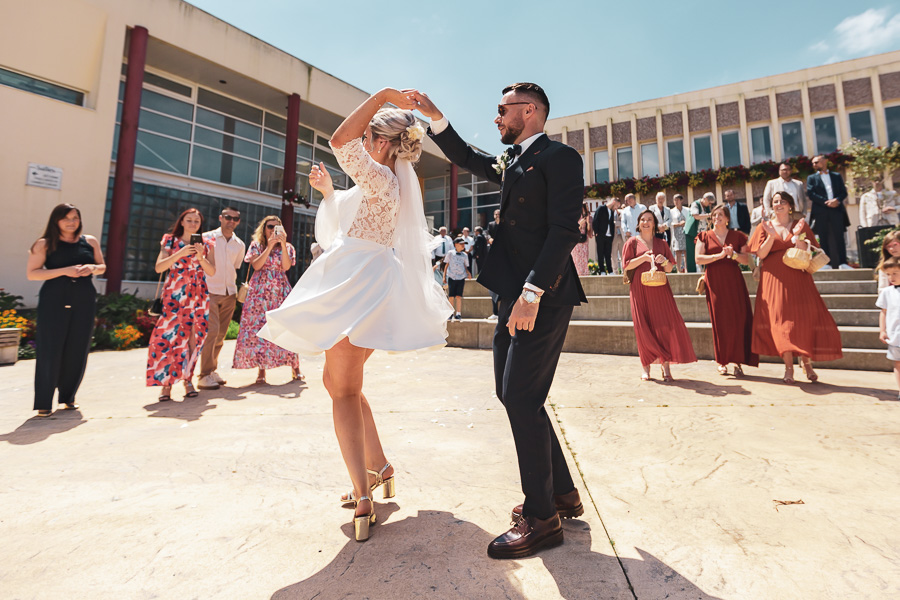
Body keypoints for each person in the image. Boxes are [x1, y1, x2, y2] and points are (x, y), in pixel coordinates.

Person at [258, 89, 452, 542]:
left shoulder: (380, 176)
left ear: (381, 143)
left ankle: (363, 494)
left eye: (369, 138)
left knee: (343, 390)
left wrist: (383, 96)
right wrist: (328, 192)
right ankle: (380, 467)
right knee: (338, 383)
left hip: (356, 287)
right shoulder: (389, 182)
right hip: (368, 282)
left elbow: (339, 140)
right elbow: (348, 213)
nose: (362, 143)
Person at [417, 82, 587, 559]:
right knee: (512, 394)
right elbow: (467, 156)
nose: (496, 118)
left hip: (541, 295)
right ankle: (562, 493)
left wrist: (532, 292)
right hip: (512, 294)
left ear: (529, 111)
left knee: (521, 396)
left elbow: (564, 230)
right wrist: (436, 118)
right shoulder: (514, 160)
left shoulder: (560, 158)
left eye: (502, 109)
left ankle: (543, 518)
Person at [749, 191, 842, 383]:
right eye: (775, 202)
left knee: (802, 321)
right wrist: (771, 237)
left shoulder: (801, 225)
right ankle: (789, 367)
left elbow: (807, 251)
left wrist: (799, 238)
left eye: (782, 201)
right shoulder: (764, 226)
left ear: (790, 205)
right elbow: (761, 254)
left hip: (798, 277)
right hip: (773, 280)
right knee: (781, 324)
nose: (779, 204)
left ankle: (807, 363)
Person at [26, 204, 106, 417]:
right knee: (50, 349)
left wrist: (92, 268)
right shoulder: (44, 244)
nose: (72, 222)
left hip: (84, 299)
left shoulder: (90, 241)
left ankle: (68, 397)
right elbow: (32, 273)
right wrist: (64, 271)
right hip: (54, 299)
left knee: (78, 348)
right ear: (56, 221)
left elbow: (102, 267)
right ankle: (44, 403)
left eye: (75, 218)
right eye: (66, 218)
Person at [146, 208, 216, 401]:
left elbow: (211, 271)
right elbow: (159, 267)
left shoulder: (207, 243)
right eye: (189, 220)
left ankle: (188, 379)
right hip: (175, 293)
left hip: (198, 293)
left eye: (197, 221)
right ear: (182, 222)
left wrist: (200, 257)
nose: (193, 224)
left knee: (194, 337)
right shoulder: (169, 240)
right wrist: (181, 253)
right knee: (170, 335)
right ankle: (166, 384)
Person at [622, 210, 697, 381]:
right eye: (643, 219)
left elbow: (670, 268)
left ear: (654, 224)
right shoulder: (632, 242)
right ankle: (646, 367)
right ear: (638, 223)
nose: (646, 222)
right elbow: (626, 265)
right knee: (642, 328)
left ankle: (666, 365)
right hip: (639, 289)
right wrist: (644, 258)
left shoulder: (662, 243)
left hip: (660, 290)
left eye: (649, 219)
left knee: (664, 326)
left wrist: (664, 261)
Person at [232, 216, 303, 384]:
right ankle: (261, 371)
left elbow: (286, 267)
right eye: (270, 226)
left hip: (280, 291)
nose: (273, 230)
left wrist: (282, 245)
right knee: (259, 329)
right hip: (259, 294)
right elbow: (257, 265)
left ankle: (295, 368)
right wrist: (270, 246)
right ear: (263, 228)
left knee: (286, 327)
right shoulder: (256, 245)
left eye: (277, 227)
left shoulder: (288, 247)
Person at [695, 206, 759, 376]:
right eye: (714, 215)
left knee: (738, 319)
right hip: (715, 282)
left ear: (728, 218)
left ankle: (738, 361)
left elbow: (746, 259)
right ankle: (722, 361)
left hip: (734, 282)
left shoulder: (738, 236)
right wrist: (718, 256)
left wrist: (733, 254)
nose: (717, 217)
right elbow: (698, 258)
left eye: (721, 215)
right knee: (720, 321)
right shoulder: (704, 236)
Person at [198, 207, 245, 391]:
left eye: (235, 218)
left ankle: (211, 371)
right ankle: (203, 375)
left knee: (220, 336)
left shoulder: (239, 245)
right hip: (209, 290)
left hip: (229, 292)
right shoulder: (206, 238)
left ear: (238, 222)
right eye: (227, 217)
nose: (231, 221)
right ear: (220, 218)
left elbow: (235, 267)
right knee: (211, 332)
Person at [807, 155, 851, 270]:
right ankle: (826, 264)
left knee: (839, 237)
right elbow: (811, 194)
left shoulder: (836, 176)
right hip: (821, 211)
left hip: (836, 210)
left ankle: (843, 263)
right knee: (823, 237)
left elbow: (843, 192)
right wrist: (826, 202)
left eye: (817, 162)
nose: (814, 165)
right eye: (813, 163)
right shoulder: (811, 178)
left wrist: (837, 200)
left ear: (825, 161)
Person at [876, 256, 900, 400]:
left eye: (895, 273)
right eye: (888, 274)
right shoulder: (887, 292)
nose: (891, 277)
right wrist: (882, 330)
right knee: (897, 363)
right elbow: (883, 312)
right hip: (894, 336)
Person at [685, 192, 714, 273]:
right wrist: (709, 215)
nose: (710, 205)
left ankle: (706, 271)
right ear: (705, 199)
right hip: (692, 232)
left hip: (703, 233)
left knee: (705, 252)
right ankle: (691, 272)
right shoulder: (695, 204)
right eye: (709, 202)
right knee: (691, 253)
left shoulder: (706, 207)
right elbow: (696, 216)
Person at [443, 237, 471, 320]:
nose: (463, 246)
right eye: (461, 244)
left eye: (464, 244)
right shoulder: (450, 253)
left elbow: (465, 266)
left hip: (461, 277)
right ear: (455, 245)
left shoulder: (465, 255)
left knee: (459, 296)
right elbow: (446, 265)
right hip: (452, 277)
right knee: (451, 296)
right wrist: (444, 276)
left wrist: (468, 273)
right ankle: (451, 313)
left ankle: (458, 313)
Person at [592, 198, 619, 274]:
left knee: (608, 254)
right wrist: (596, 232)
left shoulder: (612, 211)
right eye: (616, 206)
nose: (616, 208)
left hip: (609, 236)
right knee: (600, 253)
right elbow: (595, 220)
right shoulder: (601, 208)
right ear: (613, 202)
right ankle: (602, 270)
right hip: (600, 235)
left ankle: (610, 271)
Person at [571, 203, 593, 275]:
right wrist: (580, 223)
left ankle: (584, 273)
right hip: (576, 239)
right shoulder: (576, 215)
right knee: (577, 258)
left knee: (584, 257)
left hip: (584, 239)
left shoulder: (588, 216)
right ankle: (578, 274)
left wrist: (588, 222)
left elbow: (589, 231)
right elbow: (574, 228)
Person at [670, 194, 689, 273]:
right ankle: (678, 270)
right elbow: (670, 223)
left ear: (681, 200)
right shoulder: (671, 211)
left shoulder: (687, 210)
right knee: (678, 252)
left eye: (677, 200)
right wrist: (679, 224)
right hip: (676, 234)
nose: (676, 202)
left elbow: (690, 220)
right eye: (674, 200)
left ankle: (687, 269)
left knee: (686, 252)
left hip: (686, 233)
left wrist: (685, 223)